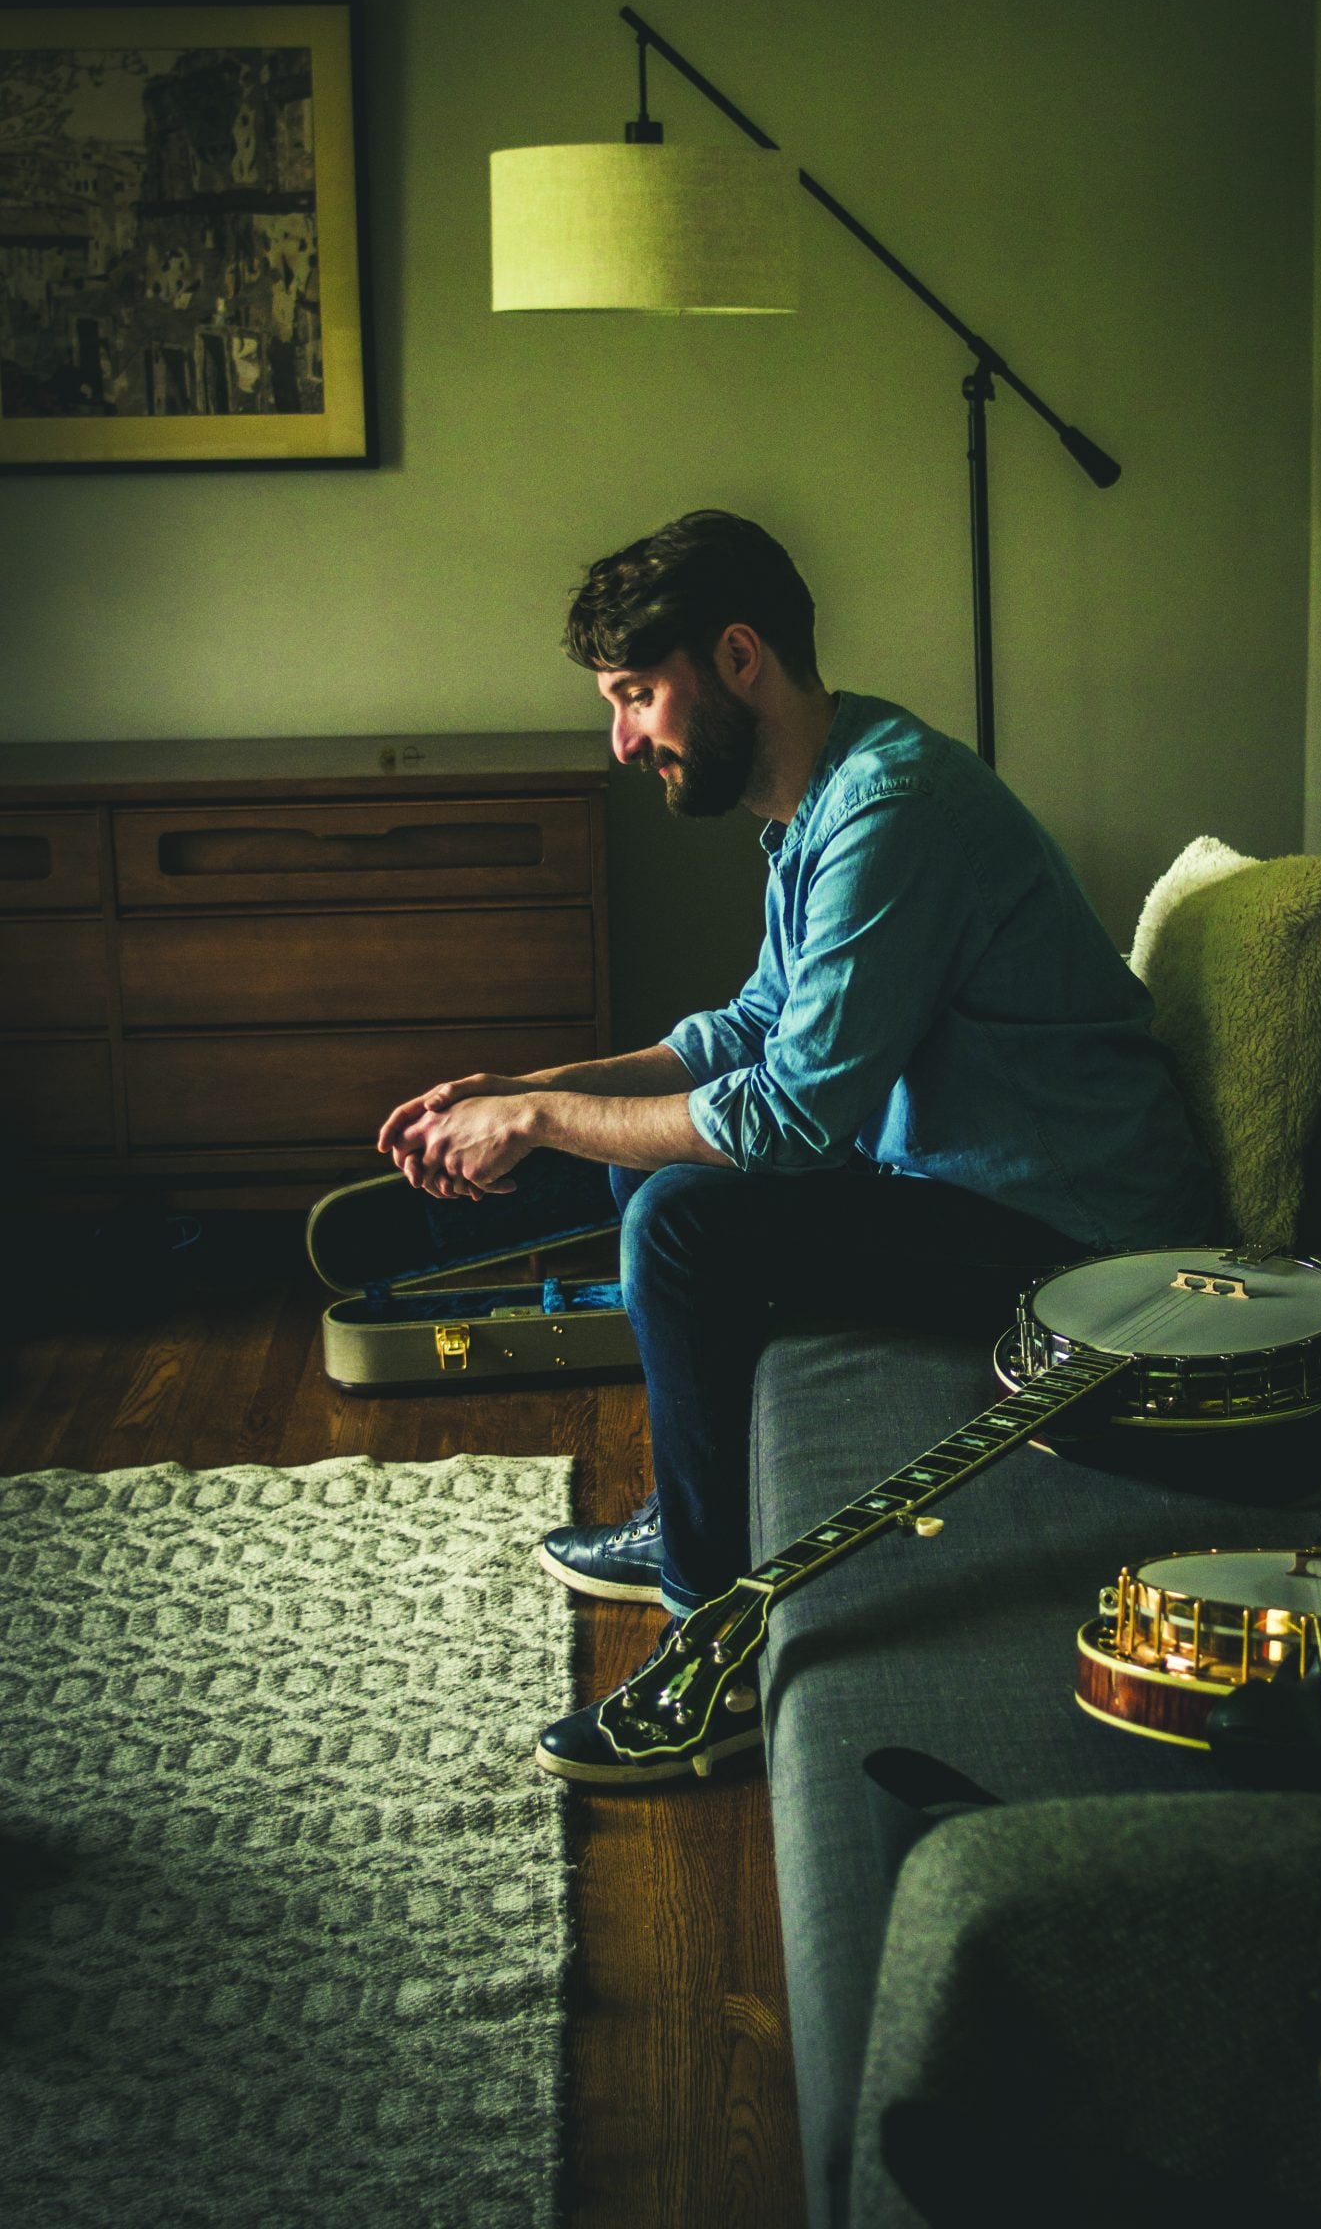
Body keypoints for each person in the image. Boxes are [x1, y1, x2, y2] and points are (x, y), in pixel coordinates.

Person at [377, 509, 1213, 1786]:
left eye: (637, 695)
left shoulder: (896, 811)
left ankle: (716, 1642)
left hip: (1089, 1245)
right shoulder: (818, 796)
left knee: (678, 1213)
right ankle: (689, 1523)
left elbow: (790, 1116)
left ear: (739, 657)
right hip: (961, 1185)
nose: (623, 738)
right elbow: (756, 1027)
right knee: (639, 1161)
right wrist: (534, 1083)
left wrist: (538, 1118)